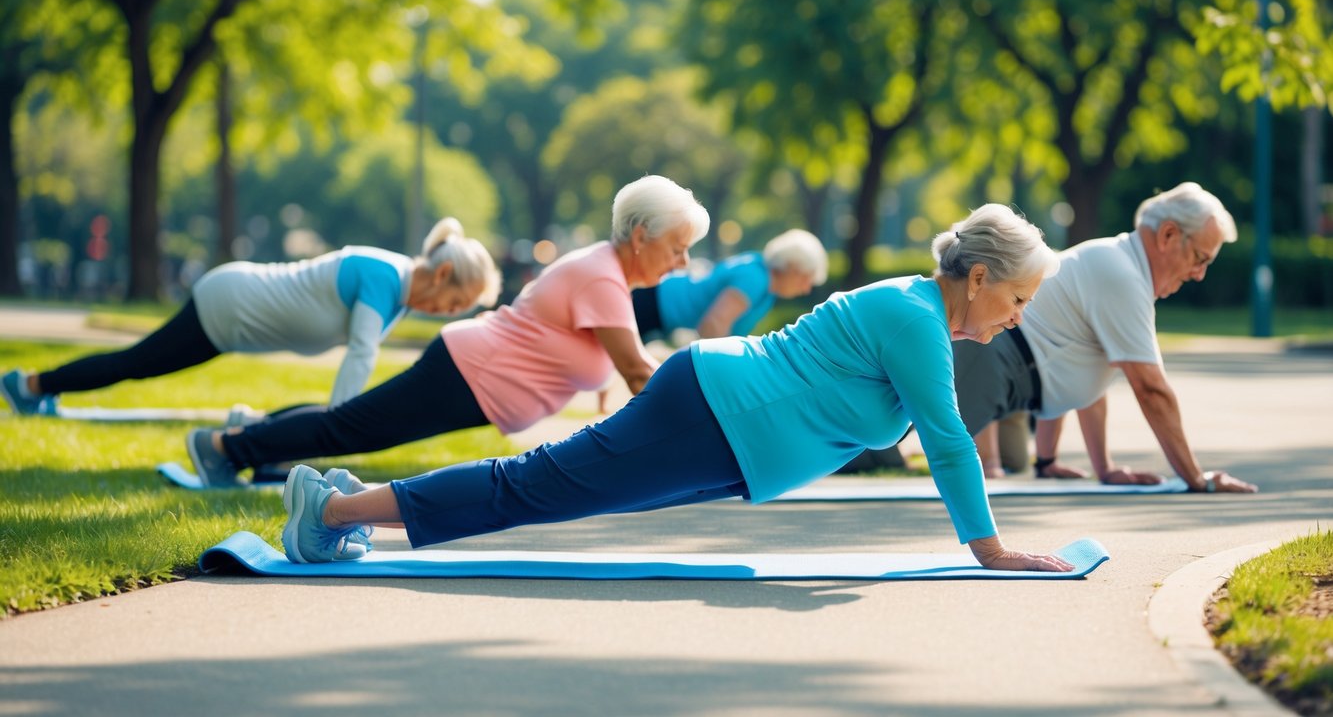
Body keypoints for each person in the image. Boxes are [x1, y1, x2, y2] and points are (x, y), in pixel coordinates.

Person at [276, 203, 1076, 576]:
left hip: (726, 428)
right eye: (1015, 301)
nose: (1015, 319)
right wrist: (989, 549)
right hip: (715, 414)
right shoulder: (912, 318)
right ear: (976, 279)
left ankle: (347, 501)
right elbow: (941, 437)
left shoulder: (916, 314)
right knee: (535, 488)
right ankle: (334, 510)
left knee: (547, 490)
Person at [185, 174, 712, 487]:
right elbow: (641, 374)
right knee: (346, 430)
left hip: (468, 373)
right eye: (677, 248)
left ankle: (243, 440)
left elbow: (601, 348)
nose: (683, 262)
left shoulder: (604, 273)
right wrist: (708, 413)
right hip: (467, 373)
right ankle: (224, 448)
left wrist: (599, 382)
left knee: (347, 426)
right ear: (642, 236)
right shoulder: (602, 276)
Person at [0, 217, 499, 417]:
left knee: (137, 362)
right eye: (455, 305)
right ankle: (30, 385)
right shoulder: (384, 276)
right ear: (443, 275)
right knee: (135, 363)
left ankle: (35, 388)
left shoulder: (399, 296)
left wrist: (339, 422)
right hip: (230, 303)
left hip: (234, 318)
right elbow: (361, 355)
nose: (448, 315)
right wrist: (342, 428)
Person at [945, 182, 1257, 493]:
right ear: (1169, 235)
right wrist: (1198, 480)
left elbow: (1084, 372)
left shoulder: (1117, 263)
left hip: (1004, 368)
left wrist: (1068, 463)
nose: (1199, 274)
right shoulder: (1123, 276)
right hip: (989, 361)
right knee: (903, 421)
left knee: (906, 416)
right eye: (1200, 258)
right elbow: (1151, 389)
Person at [632, 228, 829, 342]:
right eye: (805, 279)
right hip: (650, 304)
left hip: (659, 309)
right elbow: (712, 325)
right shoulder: (755, 279)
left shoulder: (765, 286)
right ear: (791, 266)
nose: (806, 289)